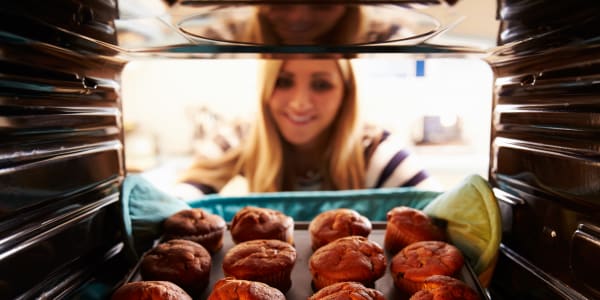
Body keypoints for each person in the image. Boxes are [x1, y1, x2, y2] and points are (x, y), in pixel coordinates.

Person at [173, 58, 440, 199]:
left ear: (345, 94)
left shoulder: (374, 149)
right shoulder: (241, 136)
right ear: (265, 90)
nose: (300, 103)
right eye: (283, 81)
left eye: (321, 85)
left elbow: (440, 210)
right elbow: (179, 200)